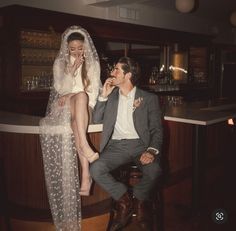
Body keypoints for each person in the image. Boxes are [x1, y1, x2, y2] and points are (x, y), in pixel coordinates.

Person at [39, 25, 101, 231]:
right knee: (76, 119)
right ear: (67, 48)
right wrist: (71, 72)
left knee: (81, 97)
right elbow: (60, 90)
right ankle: (86, 173)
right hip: (65, 109)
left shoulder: (92, 64)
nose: (76, 52)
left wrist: (74, 96)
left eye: (80, 48)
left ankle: (83, 157)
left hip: (86, 108)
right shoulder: (60, 63)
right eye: (72, 48)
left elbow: (92, 93)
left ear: (85, 47)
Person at [90, 56, 163, 230]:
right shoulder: (111, 96)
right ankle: (125, 202)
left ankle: (138, 199)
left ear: (128, 75)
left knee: (154, 170)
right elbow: (96, 119)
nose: (112, 73)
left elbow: (157, 130)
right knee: (96, 169)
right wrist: (103, 96)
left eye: (116, 70)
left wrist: (151, 151)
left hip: (141, 146)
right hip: (117, 147)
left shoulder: (148, 98)